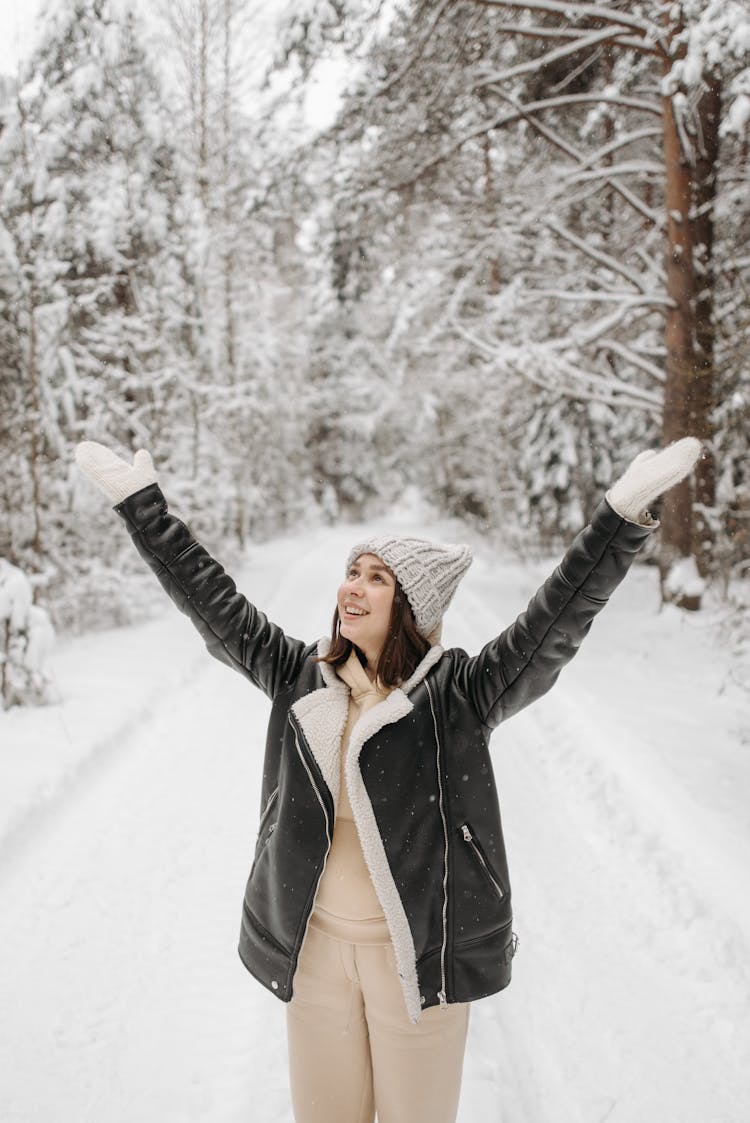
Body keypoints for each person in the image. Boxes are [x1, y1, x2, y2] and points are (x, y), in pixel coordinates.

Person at [76, 435, 701, 1123]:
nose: (352, 585)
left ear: (412, 605)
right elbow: (212, 601)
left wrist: (616, 519)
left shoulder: (459, 693)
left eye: (376, 576)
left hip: (417, 969)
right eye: (352, 571)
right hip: (315, 958)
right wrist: (142, 507)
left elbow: (552, 625)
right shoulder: (298, 674)